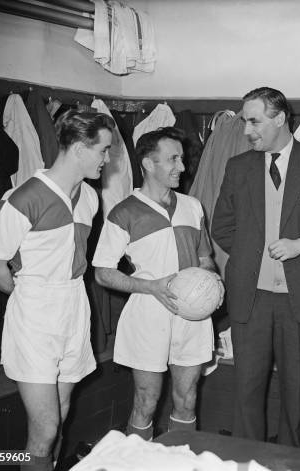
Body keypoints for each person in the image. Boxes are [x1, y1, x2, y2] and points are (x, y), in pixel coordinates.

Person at [211, 87, 300, 448]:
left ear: (279, 118)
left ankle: (291, 462)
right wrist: (250, 257)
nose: (246, 130)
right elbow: (221, 227)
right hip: (249, 300)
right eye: (245, 122)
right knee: (246, 394)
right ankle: (247, 461)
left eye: (254, 121)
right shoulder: (238, 167)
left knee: (295, 398)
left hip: (299, 301)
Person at [0, 110, 115, 471]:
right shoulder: (23, 198)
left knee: (61, 415)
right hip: (36, 309)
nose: (108, 159)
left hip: (75, 304)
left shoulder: (89, 197)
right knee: (45, 427)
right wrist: (30, 298)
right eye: (103, 150)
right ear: (78, 148)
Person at [92, 127, 215, 441]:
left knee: (187, 399)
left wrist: (212, 282)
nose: (183, 167)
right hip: (149, 315)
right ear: (147, 163)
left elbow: (205, 259)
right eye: (173, 159)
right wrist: (150, 287)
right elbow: (102, 272)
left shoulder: (193, 206)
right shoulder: (123, 212)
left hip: (193, 317)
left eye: (182, 159)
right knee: (146, 401)